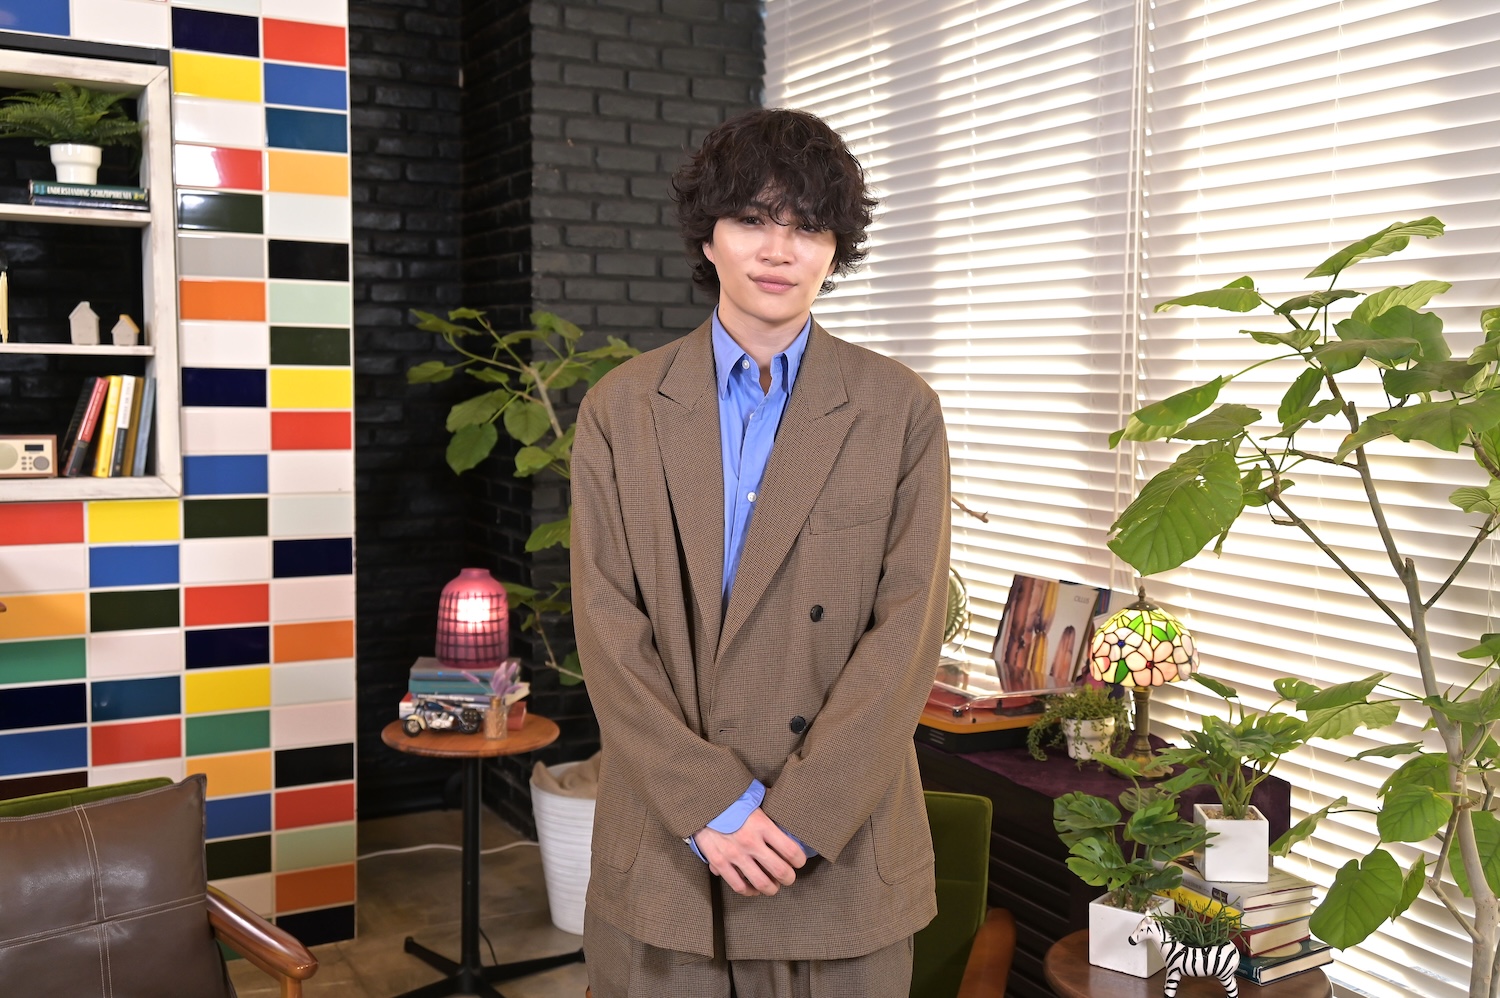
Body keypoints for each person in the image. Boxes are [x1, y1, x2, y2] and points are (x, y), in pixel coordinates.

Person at [571, 107, 952, 998]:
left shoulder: (899, 409)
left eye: (807, 226)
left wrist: (801, 817)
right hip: (668, 849)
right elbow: (607, 625)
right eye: (752, 219)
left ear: (835, 249)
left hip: (835, 853)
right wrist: (711, 805)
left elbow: (908, 632)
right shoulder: (620, 409)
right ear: (708, 237)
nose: (779, 250)